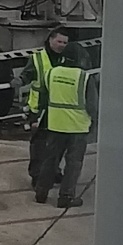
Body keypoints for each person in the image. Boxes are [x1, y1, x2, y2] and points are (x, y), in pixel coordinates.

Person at [31, 34, 97, 207]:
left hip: (55, 125)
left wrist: (36, 118)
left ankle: (41, 193)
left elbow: (43, 98)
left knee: (50, 160)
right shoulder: (84, 77)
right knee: (73, 164)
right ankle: (65, 197)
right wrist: (95, 123)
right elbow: (92, 106)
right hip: (77, 128)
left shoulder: (51, 73)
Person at [23, 27, 71, 186]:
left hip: (60, 109)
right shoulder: (38, 58)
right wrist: (20, 80)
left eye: (65, 43)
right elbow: (28, 74)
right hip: (40, 109)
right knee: (39, 145)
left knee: (58, 144)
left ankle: (53, 170)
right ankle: (37, 175)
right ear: (50, 39)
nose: (62, 45)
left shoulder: (68, 59)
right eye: (59, 41)